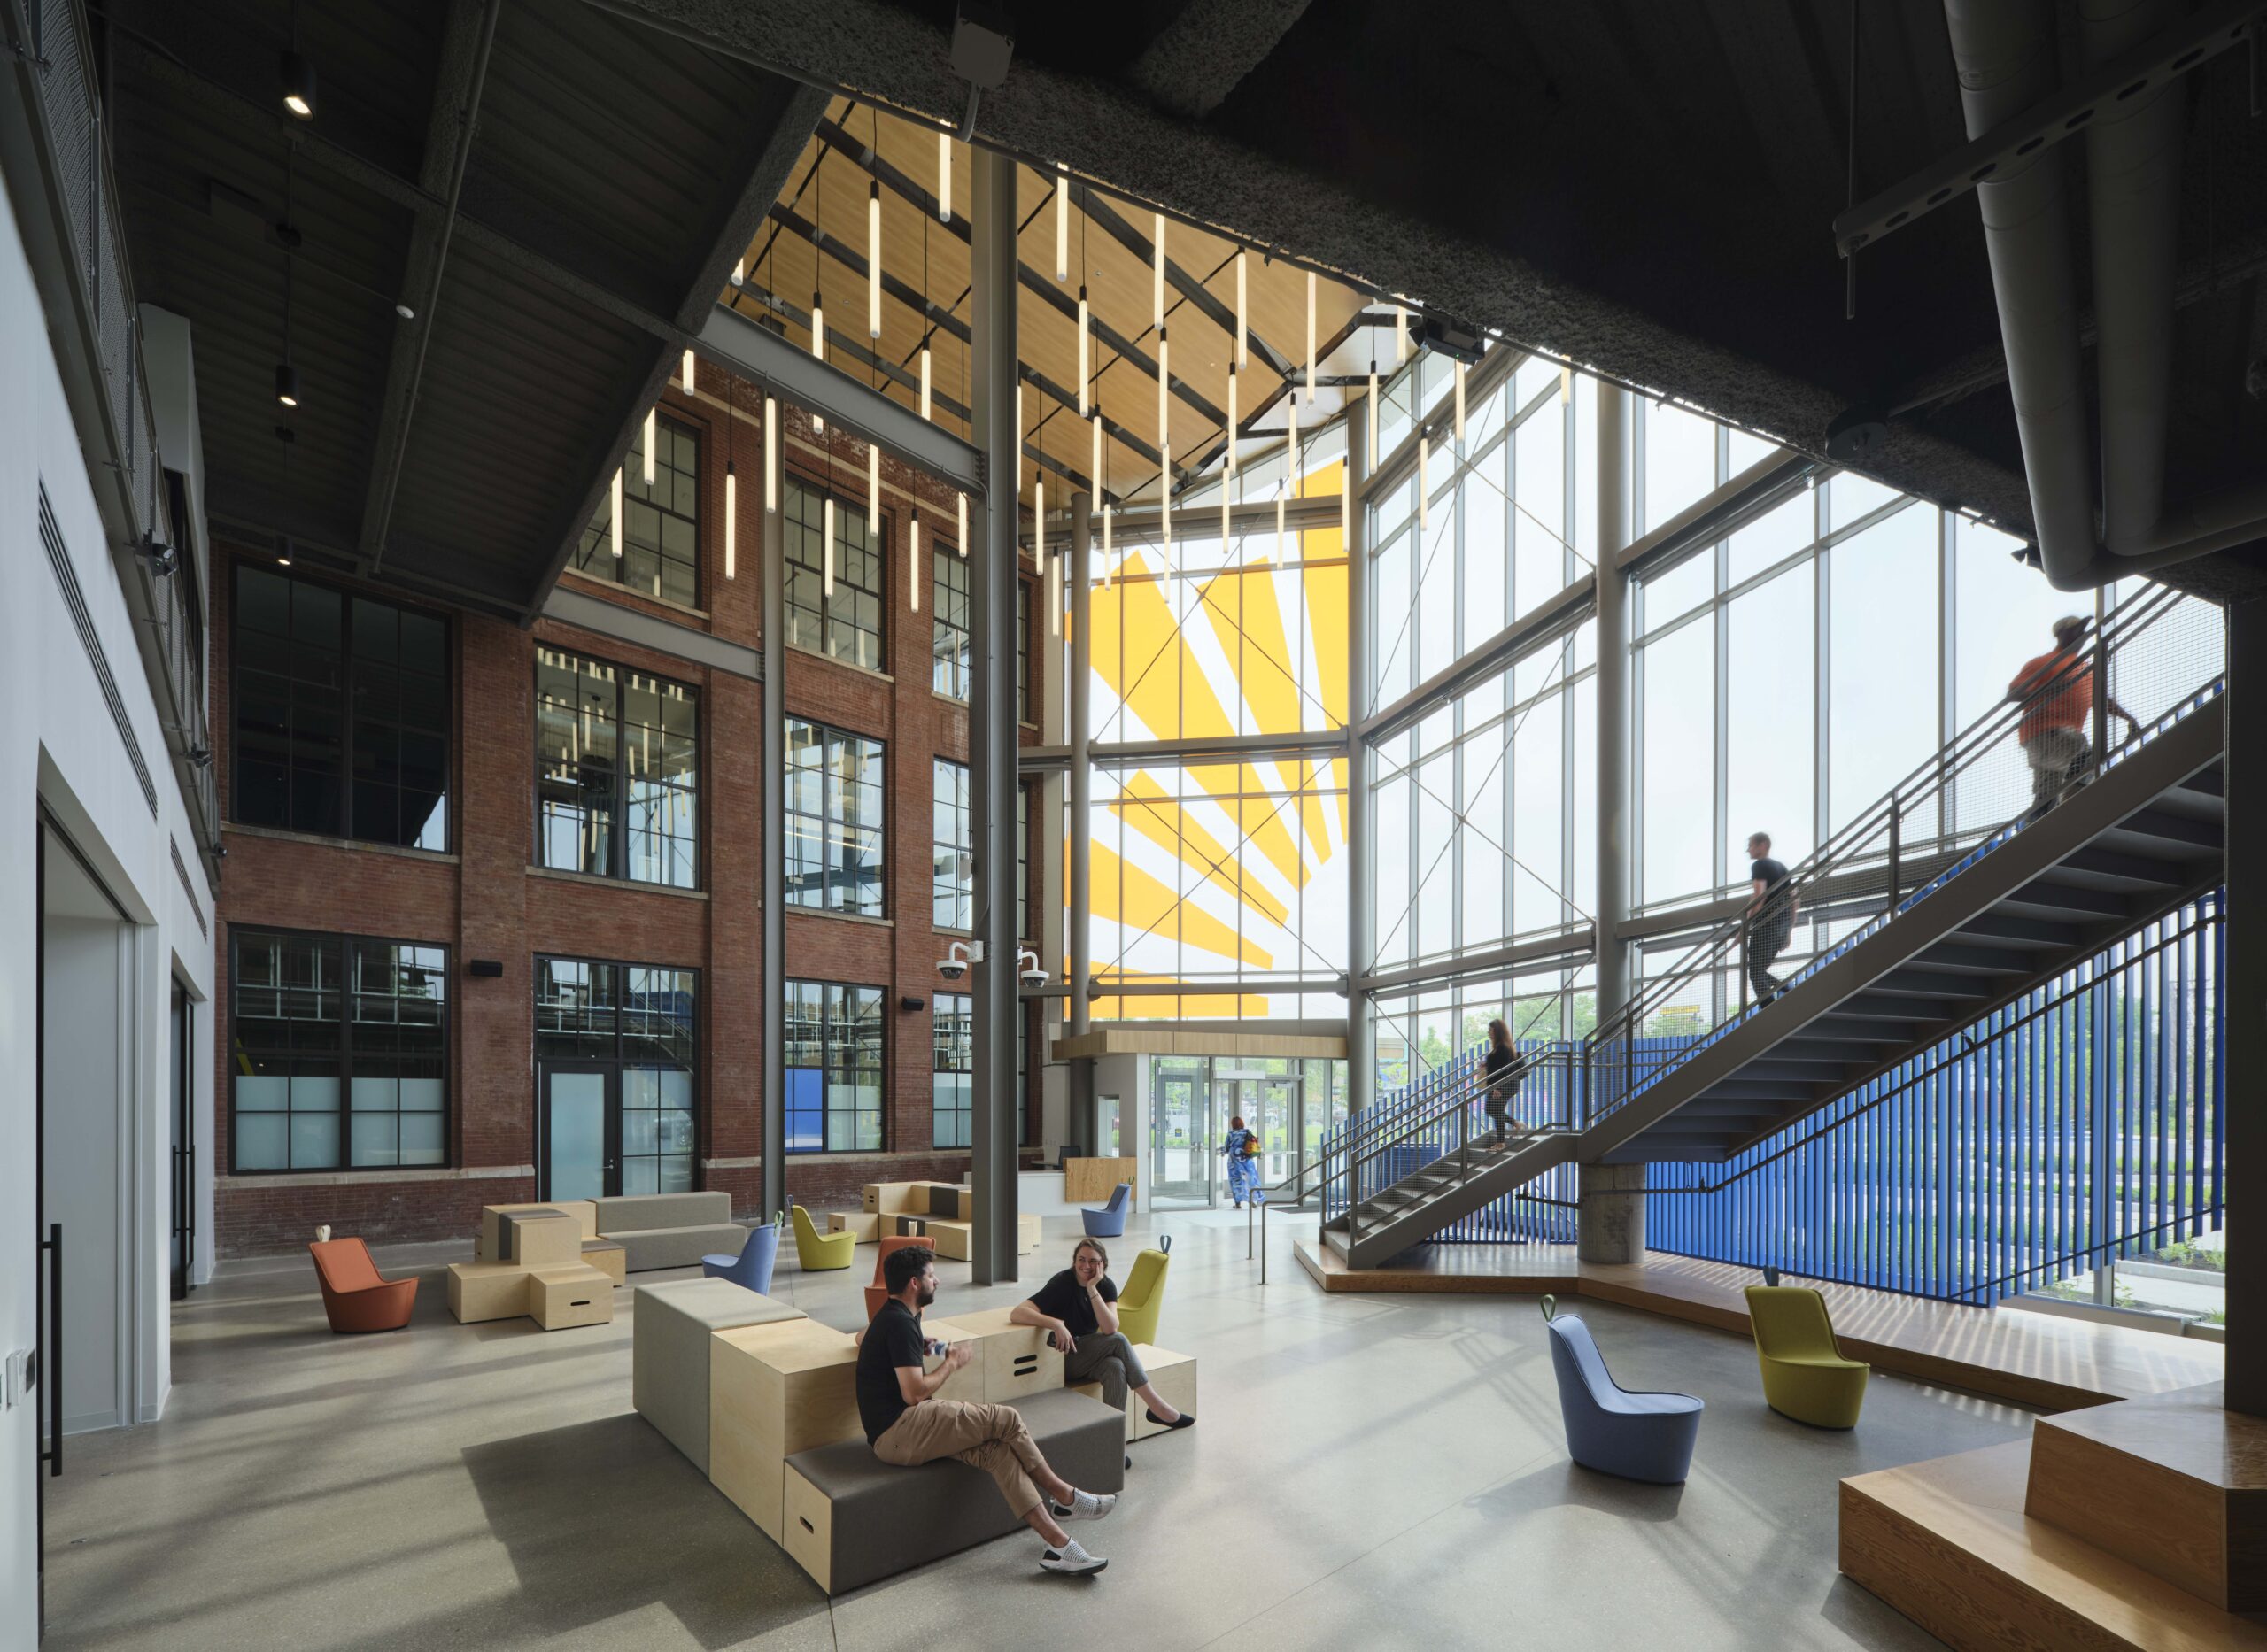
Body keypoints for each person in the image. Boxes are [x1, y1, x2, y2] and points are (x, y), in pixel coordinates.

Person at [856, 1243, 1118, 1576]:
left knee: (997, 1454)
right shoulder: (899, 1323)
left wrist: (932, 1345)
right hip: (902, 1427)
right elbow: (912, 1392)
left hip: (897, 1435)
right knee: (1006, 1418)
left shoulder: (893, 1318)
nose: (936, 1282)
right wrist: (950, 1363)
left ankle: (1059, 1546)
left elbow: (863, 1338)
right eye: (931, 1276)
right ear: (913, 1284)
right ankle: (1066, 1495)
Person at [1011, 1238, 1195, 1432]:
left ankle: (1114, 1444)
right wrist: (1056, 1323)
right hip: (1062, 1358)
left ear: (1103, 1264)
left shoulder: (1106, 1286)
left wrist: (1092, 1289)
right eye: (1081, 1259)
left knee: (1115, 1367)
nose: (1086, 1266)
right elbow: (1018, 1312)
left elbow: (1109, 1328)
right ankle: (1156, 1406)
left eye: (1093, 1261)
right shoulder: (1063, 1282)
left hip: (1087, 1353)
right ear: (1074, 1262)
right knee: (1119, 1340)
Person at [2008, 616, 2136, 819]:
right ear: (2061, 634)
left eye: (2083, 630)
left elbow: (2101, 700)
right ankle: (2072, 809)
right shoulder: (2044, 662)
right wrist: (2049, 689)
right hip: (2047, 731)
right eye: (2076, 630)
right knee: (2088, 757)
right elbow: (2014, 693)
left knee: (2047, 791)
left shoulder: (2084, 668)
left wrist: (2129, 718)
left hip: (2054, 739)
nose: (2082, 634)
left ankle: (2040, 823)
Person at [1745, 831, 1798, 1006]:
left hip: (1765, 926)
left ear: (1763, 846)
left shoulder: (1759, 865)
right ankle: (1792, 992)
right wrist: (1788, 931)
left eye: (1751, 845)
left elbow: (1759, 898)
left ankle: (1770, 1009)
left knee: (1755, 974)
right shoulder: (1782, 867)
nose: (1748, 850)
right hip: (1780, 928)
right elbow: (1795, 899)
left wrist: (1745, 927)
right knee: (1759, 971)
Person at [1481, 1016, 1533, 1148]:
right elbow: (1497, 1067)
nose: (1489, 1032)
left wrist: (1498, 1088)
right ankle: (1513, 1127)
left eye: (1491, 1030)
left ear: (1497, 1031)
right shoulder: (1499, 1047)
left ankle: (1501, 1142)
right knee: (1493, 1110)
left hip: (1503, 1086)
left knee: (1494, 1109)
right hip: (1500, 1085)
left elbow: (1504, 1069)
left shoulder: (1503, 1047)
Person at [1220, 1115, 1262, 1208]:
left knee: (1236, 1180)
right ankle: (1252, 1200)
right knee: (1250, 1179)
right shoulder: (1247, 1132)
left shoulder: (1231, 1134)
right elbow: (1254, 1144)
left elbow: (1227, 1148)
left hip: (1234, 1161)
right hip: (1247, 1159)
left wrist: (1221, 1151)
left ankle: (1237, 1203)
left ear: (1233, 1124)